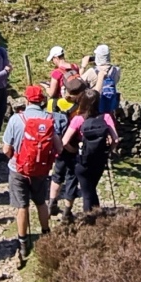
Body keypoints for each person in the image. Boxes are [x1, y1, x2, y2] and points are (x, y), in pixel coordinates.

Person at [0, 82, 59, 262]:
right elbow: (59, 147)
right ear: (41, 100)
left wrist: (13, 158)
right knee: (41, 202)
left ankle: (23, 243)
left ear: (26, 100)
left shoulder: (16, 119)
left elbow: (6, 149)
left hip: (18, 169)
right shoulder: (49, 119)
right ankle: (46, 233)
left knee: (22, 206)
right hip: (40, 169)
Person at [60, 89, 120, 220]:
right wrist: (108, 151)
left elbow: (64, 141)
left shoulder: (78, 119)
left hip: (83, 161)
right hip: (99, 160)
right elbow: (115, 139)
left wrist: (73, 151)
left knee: (88, 192)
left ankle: (91, 220)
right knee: (91, 188)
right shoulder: (106, 117)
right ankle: (97, 216)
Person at [48, 74, 84, 218]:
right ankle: (67, 213)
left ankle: (52, 204)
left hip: (57, 146)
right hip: (73, 146)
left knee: (57, 175)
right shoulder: (80, 107)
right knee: (72, 179)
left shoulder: (52, 103)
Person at [88, 44, 122, 114]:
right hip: (110, 106)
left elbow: (80, 83)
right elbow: (116, 81)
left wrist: (82, 66)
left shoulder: (92, 71)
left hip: (96, 106)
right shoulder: (117, 70)